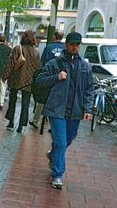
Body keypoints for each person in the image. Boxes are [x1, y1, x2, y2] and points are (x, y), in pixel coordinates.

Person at [35, 32, 94, 190]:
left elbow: (89, 89)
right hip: (56, 110)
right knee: (61, 142)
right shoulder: (55, 63)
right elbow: (39, 80)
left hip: (75, 111)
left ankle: (53, 155)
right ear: (66, 44)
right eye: (71, 44)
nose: (74, 47)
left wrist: (87, 108)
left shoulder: (85, 66)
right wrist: (56, 77)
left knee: (68, 140)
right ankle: (57, 175)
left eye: (77, 44)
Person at [2, 30, 41, 133]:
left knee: (12, 101)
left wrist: (4, 77)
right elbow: (37, 68)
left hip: (16, 79)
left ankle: (11, 122)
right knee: (25, 104)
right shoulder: (36, 52)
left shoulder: (17, 49)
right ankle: (21, 126)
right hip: (28, 81)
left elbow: (10, 64)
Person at [29, 30, 65, 129]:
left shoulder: (49, 47)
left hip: (49, 76)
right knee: (56, 100)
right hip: (61, 77)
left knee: (43, 99)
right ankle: (53, 125)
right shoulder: (64, 48)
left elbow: (43, 62)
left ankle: (36, 120)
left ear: (54, 36)